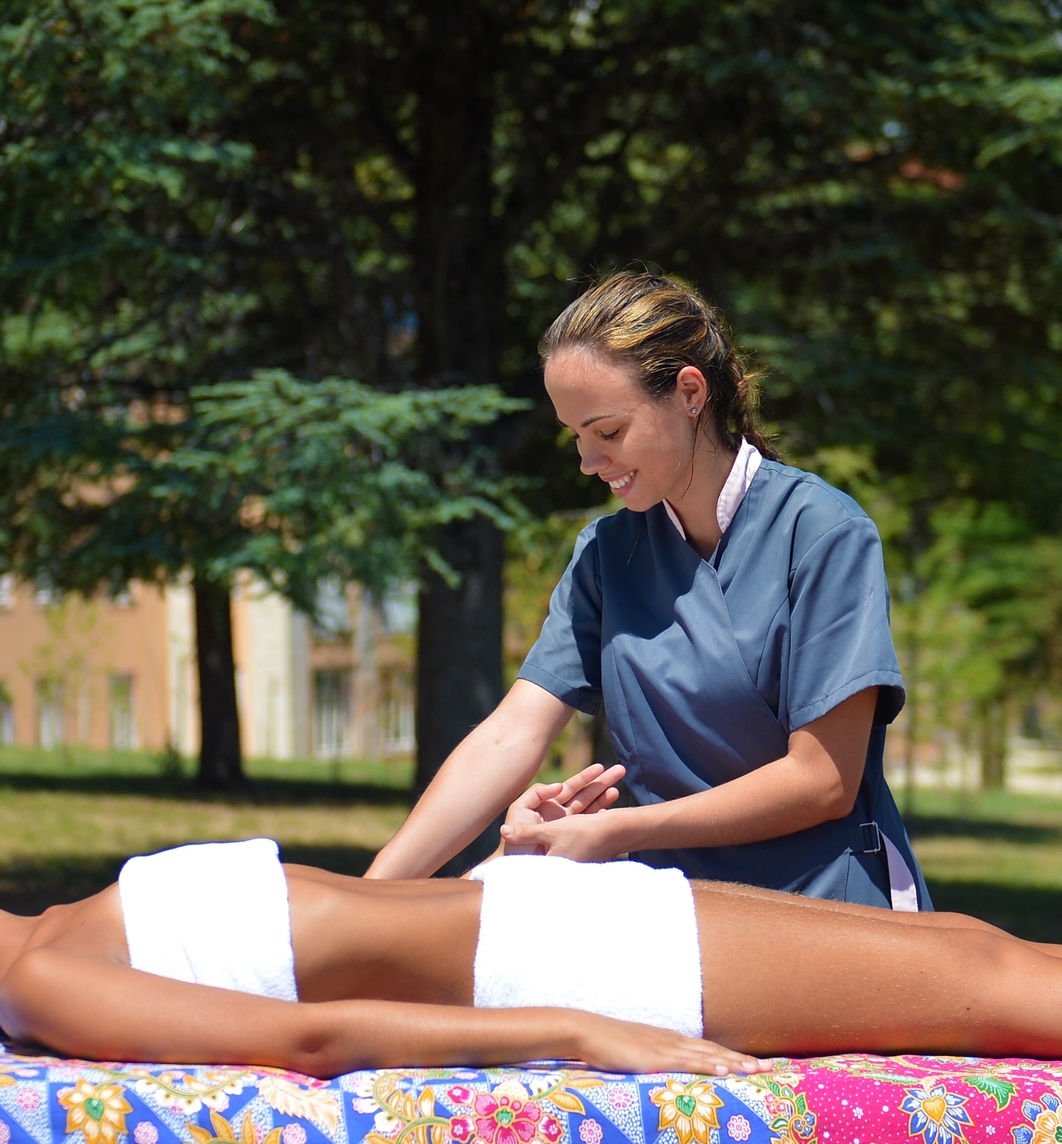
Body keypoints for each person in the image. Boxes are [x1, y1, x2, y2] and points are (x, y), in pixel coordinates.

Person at [368, 271, 929, 910]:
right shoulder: (608, 555)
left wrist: (618, 829)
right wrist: (371, 897)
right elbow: (511, 734)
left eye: (606, 432)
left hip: (826, 906)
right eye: (575, 436)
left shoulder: (824, 532)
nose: (586, 460)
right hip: (675, 916)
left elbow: (824, 778)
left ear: (690, 392)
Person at [0, 817, 1062, 1078]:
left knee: (964, 942)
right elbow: (309, 1036)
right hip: (580, 969)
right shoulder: (43, 980)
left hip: (541, 913)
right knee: (993, 985)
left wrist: (500, 853)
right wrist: (579, 1029)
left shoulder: (65, 926)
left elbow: (325, 929)